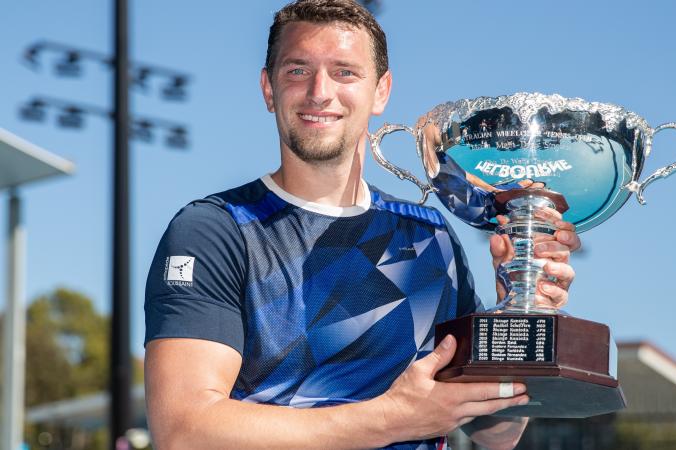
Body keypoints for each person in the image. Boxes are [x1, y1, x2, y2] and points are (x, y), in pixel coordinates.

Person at [143, 1, 580, 449]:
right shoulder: (215, 231)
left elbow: (497, 433)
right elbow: (184, 431)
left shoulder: (430, 237)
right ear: (268, 88)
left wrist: (521, 310)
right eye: (297, 70)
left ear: (381, 91)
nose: (319, 92)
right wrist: (391, 419)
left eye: (344, 72)